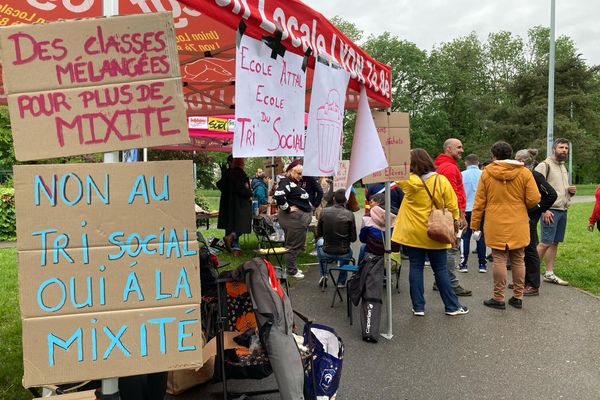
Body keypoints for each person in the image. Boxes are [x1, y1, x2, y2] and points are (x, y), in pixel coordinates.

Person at [392, 148, 469, 316]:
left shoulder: (409, 181)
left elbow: (394, 171)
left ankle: (418, 307)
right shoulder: (441, 180)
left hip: (412, 233)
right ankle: (452, 306)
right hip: (436, 231)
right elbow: (452, 205)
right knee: (440, 270)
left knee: (415, 267)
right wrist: (455, 224)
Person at [471, 141, 540, 310]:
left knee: (499, 259)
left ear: (493, 155)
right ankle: (518, 296)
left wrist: (475, 224)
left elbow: (479, 202)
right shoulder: (524, 172)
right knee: (518, 258)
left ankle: (498, 297)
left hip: (495, 221)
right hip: (519, 220)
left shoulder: (486, 173)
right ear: (510, 154)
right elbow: (534, 199)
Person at [514, 148, 557, 296]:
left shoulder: (535, 176)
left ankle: (533, 285)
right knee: (523, 249)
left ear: (521, 160)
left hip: (530, 218)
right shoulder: (522, 174)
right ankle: (523, 281)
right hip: (522, 217)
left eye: (515, 158)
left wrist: (537, 209)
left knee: (531, 249)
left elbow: (551, 194)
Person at [534, 138, 576, 285]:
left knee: (554, 243)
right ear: (554, 149)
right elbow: (535, 190)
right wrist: (543, 209)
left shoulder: (563, 166)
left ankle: (549, 273)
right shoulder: (544, 165)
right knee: (545, 242)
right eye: (561, 148)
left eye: (566, 148)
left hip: (562, 209)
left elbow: (556, 189)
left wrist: (570, 192)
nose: (564, 150)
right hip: (550, 210)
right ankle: (528, 274)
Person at [433, 138, 472, 296]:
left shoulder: (442, 165)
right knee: (450, 249)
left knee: (445, 249)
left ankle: (440, 281)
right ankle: (451, 284)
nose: (462, 150)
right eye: (458, 147)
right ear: (448, 149)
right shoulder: (449, 167)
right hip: (449, 214)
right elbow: (452, 195)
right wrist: (461, 215)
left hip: (444, 213)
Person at [273, 160, 313, 279]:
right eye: (298, 173)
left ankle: (292, 268)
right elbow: (279, 196)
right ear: (291, 172)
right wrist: (288, 209)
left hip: (296, 220)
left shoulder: (291, 183)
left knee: (294, 244)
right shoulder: (286, 182)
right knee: (293, 245)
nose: (300, 177)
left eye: (301, 174)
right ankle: (291, 270)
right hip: (293, 220)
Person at [316, 189, 357, 287]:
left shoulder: (324, 212)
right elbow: (353, 238)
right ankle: (341, 281)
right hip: (344, 252)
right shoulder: (350, 214)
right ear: (346, 200)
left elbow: (319, 233)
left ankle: (324, 275)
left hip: (326, 251)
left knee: (319, 243)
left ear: (334, 199)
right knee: (348, 252)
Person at [216, 155, 252, 257]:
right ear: (241, 164)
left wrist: (228, 192)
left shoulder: (227, 173)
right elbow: (242, 189)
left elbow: (219, 184)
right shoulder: (240, 174)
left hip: (228, 204)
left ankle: (231, 248)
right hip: (239, 204)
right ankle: (234, 245)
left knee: (230, 225)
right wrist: (249, 193)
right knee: (241, 224)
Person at [459, 154, 487, 273]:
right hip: (480, 209)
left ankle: (464, 264)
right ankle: (482, 264)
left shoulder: (461, 175)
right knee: (480, 236)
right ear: (478, 162)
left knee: (465, 237)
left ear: (466, 163)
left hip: (465, 209)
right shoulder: (484, 175)